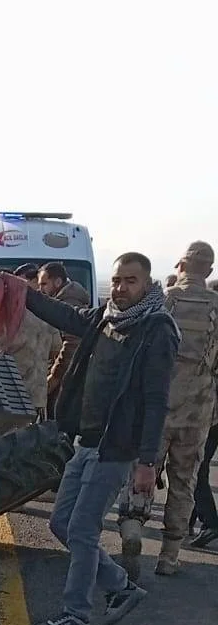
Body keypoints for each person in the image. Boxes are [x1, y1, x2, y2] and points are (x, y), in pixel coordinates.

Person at [22, 252, 179, 625]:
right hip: (85, 442)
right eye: (118, 280)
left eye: (131, 281)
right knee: (62, 523)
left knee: (82, 530)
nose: (122, 288)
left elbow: (157, 400)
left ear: (147, 284)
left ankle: (75, 612)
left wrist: (147, 461)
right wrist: (20, 293)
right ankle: (121, 587)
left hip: (116, 448)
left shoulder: (156, 329)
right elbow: (64, 317)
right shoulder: (104, 319)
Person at [116, 241, 218, 575]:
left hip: (156, 407)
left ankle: (132, 525)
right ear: (210, 271)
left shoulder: (164, 302)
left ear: (180, 265)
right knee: (184, 481)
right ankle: (170, 554)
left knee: (143, 468)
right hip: (198, 411)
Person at [6, 263, 61, 418]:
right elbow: (57, 349)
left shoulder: (9, 314)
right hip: (38, 395)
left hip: (11, 395)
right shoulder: (47, 314)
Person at [38, 262, 91, 414]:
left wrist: (55, 377)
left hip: (67, 376)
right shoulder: (66, 299)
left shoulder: (69, 303)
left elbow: (72, 344)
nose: (40, 289)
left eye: (44, 284)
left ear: (58, 282)